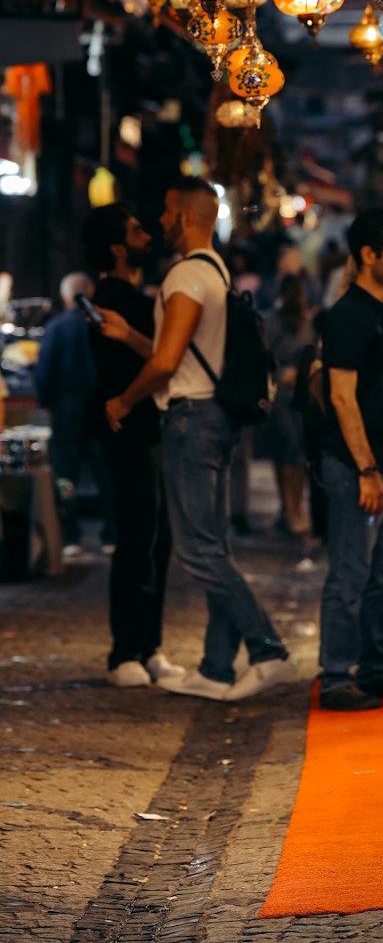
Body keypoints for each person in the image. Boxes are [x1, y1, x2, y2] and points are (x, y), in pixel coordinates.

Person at [106, 177, 292, 702]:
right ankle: (215, 666)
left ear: (186, 217)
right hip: (214, 417)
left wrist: (123, 401)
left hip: (192, 421)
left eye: (166, 211)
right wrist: (129, 336)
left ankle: (266, 648)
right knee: (213, 544)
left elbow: (167, 364)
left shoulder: (186, 275)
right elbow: (178, 351)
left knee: (196, 550)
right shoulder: (215, 270)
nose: (160, 220)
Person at [317, 208, 383, 712]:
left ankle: (377, 664)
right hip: (359, 464)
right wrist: (366, 469)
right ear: (367, 255)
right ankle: (336, 674)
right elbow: (341, 396)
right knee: (351, 572)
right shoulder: (350, 314)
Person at [82, 202, 181, 690]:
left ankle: (149, 646)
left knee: (157, 540)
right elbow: (164, 359)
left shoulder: (135, 297)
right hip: (128, 433)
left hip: (148, 431)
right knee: (138, 540)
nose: (147, 235)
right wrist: (137, 338)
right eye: (137, 230)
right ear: (118, 246)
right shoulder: (111, 300)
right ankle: (127, 649)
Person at [34, 271, 110, 556]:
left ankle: (70, 536)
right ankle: (111, 534)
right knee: (105, 471)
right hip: (99, 408)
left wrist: (46, 401)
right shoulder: (101, 324)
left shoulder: (56, 327)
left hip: (66, 409)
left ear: (65, 295)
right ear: (89, 292)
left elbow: (45, 371)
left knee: (66, 474)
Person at [263, 272, 314, 540]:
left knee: (289, 455)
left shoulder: (287, 321)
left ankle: (290, 508)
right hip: (288, 396)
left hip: (291, 396)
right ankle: (291, 508)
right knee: (292, 455)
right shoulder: (295, 322)